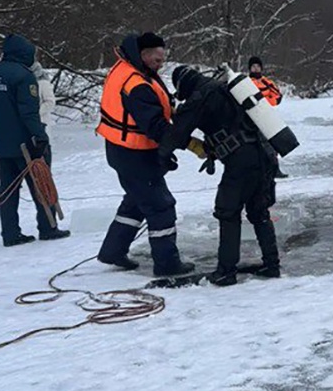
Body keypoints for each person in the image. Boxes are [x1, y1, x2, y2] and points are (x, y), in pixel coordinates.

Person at [161, 65, 281, 287]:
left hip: (241, 162)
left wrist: (161, 155)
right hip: (265, 154)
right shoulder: (226, 87)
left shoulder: (199, 98)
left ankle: (226, 272)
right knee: (259, 211)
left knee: (227, 212)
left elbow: (176, 134)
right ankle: (271, 265)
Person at [95, 32, 193, 276]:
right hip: (132, 153)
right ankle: (167, 264)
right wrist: (187, 142)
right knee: (160, 206)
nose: (160, 65)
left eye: (162, 60)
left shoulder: (129, 69)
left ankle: (112, 251)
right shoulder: (136, 84)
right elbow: (155, 125)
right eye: (157, 61)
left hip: (124, 150)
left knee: (137, 201)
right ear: (143, 55)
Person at [0, 34, 70, 246]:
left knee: (8, 190)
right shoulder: (23, 76)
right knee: (41, 184)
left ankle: (10, 233)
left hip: (2, 143)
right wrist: (40, 136)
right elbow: (29, 113)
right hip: (26, 143)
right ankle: (48, 227)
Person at [248, 56, 288, 179]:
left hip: (267, 115)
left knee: (271, 143)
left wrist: (265, 102)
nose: (255, 69)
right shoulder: (246, 82)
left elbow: (277, 97)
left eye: (258, 66)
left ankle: (275, 169)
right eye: (253, 67)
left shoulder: (267, 82)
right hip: (251, 117)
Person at [31, 62, 56, 162]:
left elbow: (50, 102)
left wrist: (36, 112)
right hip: (29, 123)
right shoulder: (23, 82)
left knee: (44, 149)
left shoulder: (43, 83)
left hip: (42, 121)